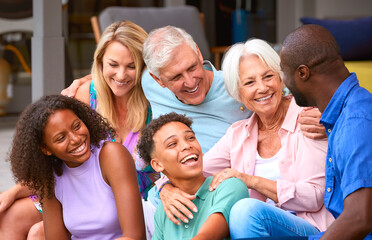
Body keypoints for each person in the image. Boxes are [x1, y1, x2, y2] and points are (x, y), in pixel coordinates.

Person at [178, 38, 333, 238]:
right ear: (239, 93)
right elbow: (195, 169)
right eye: (250, 82)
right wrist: (165, 187)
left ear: (280, 79)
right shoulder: (238, 134)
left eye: (268, 76)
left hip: (310, 229)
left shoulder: (308, 118)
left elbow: (314, 197)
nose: (262, 88)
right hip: (257, 230)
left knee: (244, 210)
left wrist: (251, 181)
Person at [280, 24, 372, 240]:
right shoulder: (349, 111)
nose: (284, 84)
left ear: (302, 73)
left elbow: (360, 217)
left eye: (283, 72)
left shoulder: (354, 123)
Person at [9, 95, 145, 240]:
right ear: (46, 149)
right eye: (61, 138)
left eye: (77, 126)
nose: (76, 139)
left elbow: (135, 236)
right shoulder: (49, 178)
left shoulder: (111, 155)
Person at [137, 112, 249, 240]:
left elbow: (207, 237)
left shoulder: (229, 186)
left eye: (190, 138)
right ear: (157, 165)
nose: (186, 145)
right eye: (172, 144)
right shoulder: (164, 209)